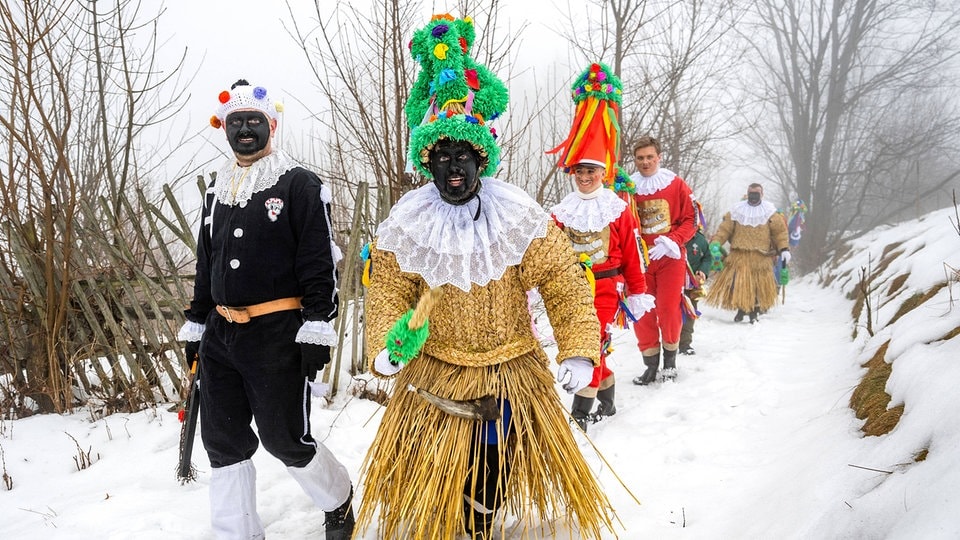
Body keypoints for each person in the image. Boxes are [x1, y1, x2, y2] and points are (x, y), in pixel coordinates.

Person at [356, 15, 616, 540]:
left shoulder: (516, 216)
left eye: (465, 156)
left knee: (492, 461)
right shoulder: (409, 221)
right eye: (443, 156)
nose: (454, 167)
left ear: (482, 158)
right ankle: (453, 518)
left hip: (507, 368)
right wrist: (387, 342)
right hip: (434, 372)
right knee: (436, 467)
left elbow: (564, 282)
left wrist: (579, 349)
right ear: (427, 163)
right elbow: (386, 288)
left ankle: (477, 520)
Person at [177, 80, 354, 540]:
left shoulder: (298, 183)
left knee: (283, 436)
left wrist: (318, 324)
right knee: (222, 440)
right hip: (220, 336)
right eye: (236, 123)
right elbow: (206, 260)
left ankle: (337, 499)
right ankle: (236, 533)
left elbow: (318, 260)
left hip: (277, 334)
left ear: (271, 126)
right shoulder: (216, 188)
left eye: (254, 122)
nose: (246, 130)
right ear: (225, 129)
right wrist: (197, 322)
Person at [547, 62, 654, 431]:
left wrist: (637, 290)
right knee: (588, 345)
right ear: (573, 173)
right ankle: (607, 395)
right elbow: (547, 255)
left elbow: (632, 252)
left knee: (589, 344)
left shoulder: (616, 208)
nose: (586, 176)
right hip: (569, 292)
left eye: (592, 171)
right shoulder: (560, 213)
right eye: (580, 171)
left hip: (606, 290)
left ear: (602, 172)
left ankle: (580, 413)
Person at [627, 136, 697, 385]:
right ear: (634, 159)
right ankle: (650, 365)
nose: (645, 162)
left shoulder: (676, 184)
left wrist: (673, 240)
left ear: (659, 157)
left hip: (670, 257)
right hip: (639, 261)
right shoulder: (628, 188)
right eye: (640, 158)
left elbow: (692, 219)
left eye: (649, 157)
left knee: (668, 309)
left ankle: (670, 363)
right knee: (643, 312)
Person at [704, 182, 791, 323]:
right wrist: (716, 243)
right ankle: (741, 309)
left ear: (762, 194)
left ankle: (754, 312)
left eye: (757, 194)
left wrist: (784, 249)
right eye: (751, 194)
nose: (754, 196)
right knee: (739, 284)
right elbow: (724, 230)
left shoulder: (770, 213)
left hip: (761, 258)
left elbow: (780, 233)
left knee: (758, 286)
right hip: (739, 256)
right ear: (747, 193)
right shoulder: (736, 211)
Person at [678, 197, 712, 355]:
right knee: (671, 315)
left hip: (691, 286)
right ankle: (669, 343)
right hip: (672, 283)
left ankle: (685, 344)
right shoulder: (672, 236)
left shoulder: (700, 239)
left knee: (689, 314)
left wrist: (703, 272)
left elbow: (707, 257)